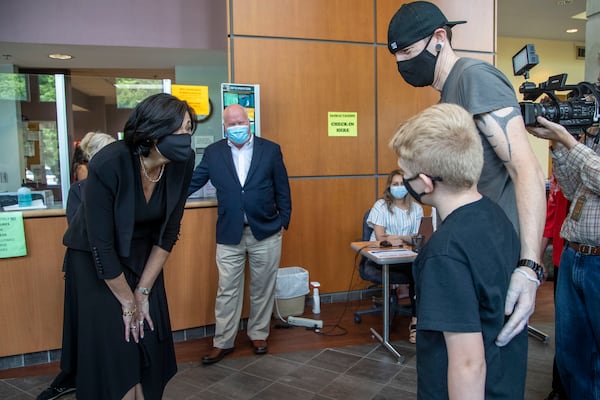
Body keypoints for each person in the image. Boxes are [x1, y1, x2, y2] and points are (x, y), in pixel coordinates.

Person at [387, 1, 546, 347]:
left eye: (410, 52)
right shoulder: (448, 94)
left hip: (494, 253)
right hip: (468, 249)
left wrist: (530, 267)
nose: (403, 64)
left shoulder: (474, 78)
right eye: (397, 58)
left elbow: (526, 169)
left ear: (440, 37)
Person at [56, 93, 196, 400]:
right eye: (181, 129)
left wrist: (143, 292)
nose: (187, 137)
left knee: (149, 339)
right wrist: (128, 303)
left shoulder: (182, 164)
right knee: (118, 346)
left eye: (189, 129)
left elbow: (168, 233)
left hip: (144, 258)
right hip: (94, 262)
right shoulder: (110, 162)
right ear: (153, 130)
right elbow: (101, 245)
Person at [390, 102, 527, 399]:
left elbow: (468, 364)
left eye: (406, 174)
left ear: (425, 183)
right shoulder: (497, 216)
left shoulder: (444, 253)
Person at [187, 104, 291, 365]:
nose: (236, 127)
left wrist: (283, 221)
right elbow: (194, 181)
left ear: (249, 121)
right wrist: (162, 196)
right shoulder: (213, 153)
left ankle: (258, 335)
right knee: (227, 290)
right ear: (224, 127)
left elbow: (283, 188)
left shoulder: (271, 149)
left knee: (262, 288)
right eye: (231, 124)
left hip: (265, 231)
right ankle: (222, 341)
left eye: (240, 122)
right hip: (229, 233)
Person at [37, 132, 116, 400]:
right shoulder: (79, 191)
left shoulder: (120, 187)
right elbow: (83, 231)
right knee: (82, 326)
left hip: (113, 268)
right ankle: (74, 377)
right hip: (84, 267)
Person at [527, 116, 600, 399]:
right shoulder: (593, 133)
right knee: (572, 352)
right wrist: (558, 144)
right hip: (574, 255)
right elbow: (571, 189)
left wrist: (570, 141)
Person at [365, 169, 423, 343]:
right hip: (381, 258)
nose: (399, 188)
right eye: (395, 184)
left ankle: (416, 320)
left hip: (408, 258)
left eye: (402, 184)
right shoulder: (380, 206)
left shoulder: (417, 208)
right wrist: (405, 238)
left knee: (420, 271)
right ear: (389, 187)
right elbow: (381, 237)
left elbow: (418, 237)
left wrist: (398, 238)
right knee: (415, 272)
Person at [542, 173, 569, 400]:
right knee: (565, 328)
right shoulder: (559, 173)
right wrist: (536, 257)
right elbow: (550, 218)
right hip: (564, 259)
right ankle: (560, 388)